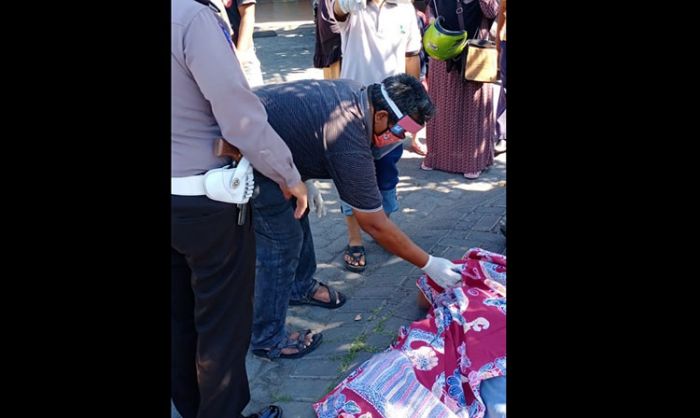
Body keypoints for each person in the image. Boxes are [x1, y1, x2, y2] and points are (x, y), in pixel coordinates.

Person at [249, 73, 464, 360]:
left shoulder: (360, 93)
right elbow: (373, 223)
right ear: (382, 115)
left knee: (298, 216)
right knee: (282, 243)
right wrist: (429, 263)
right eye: (399, 133)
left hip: (273, 149)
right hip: (250, 153)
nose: (397, 141)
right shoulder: (348, 135)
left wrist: (302, 173)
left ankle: (299, 287)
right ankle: (268, 338)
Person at [171, 0, 307, 416]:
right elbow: (237, 113)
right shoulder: (191, 17)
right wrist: (288, 172)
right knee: (222, 323)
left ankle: (194, 407)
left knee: (177, 316)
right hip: (203, 200)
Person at [328, 0, 424, 273]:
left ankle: (382, 227)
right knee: (351, 174)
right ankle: (355, 239)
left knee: (387, 173)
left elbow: (411, 56)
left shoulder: (404, 7)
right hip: (351, 108)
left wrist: (412, 113)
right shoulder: (353, 6)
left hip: (391, 113)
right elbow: (337, 11)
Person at [420, 0, 499, 179]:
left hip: (474, 50)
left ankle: (471, 161)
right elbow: (430, 6)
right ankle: (435, 157)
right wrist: (433, 22)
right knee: (441, 104)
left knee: (472, 106)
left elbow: (491, 10)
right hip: (444, 46)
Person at [224, 0, 264, 86]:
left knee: (252, 95)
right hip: (211, 57)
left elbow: (248, 15)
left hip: (241, 55)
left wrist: (240, 57)